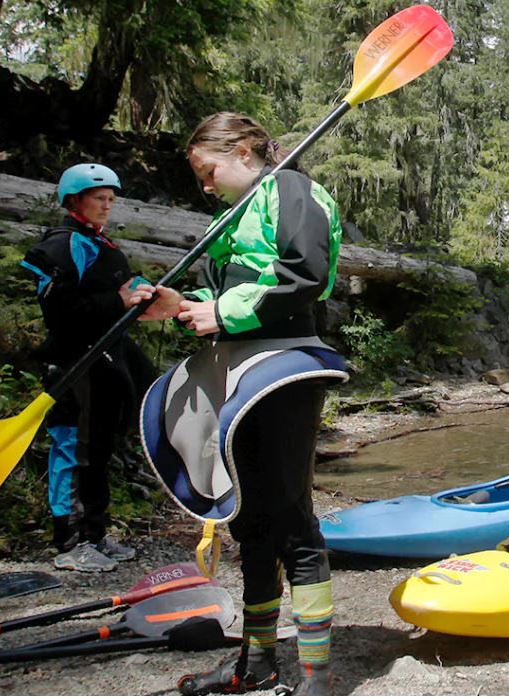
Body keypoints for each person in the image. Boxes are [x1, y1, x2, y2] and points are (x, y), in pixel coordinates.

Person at [130, 112, 348, 696]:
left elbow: (306, 275)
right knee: (250, 521)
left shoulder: (295, 192)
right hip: (236, 375)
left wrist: (222, 312)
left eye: (208, 171)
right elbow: (216, 294)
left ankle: (317, 676)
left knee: (292, 521)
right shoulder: (231, 216)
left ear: (247, 151)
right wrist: (178, 303)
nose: (204, 185)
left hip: (284, 371)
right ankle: (256, 662)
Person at [19, 163, 153, 573]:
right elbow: (64, 316)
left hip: (104, 365)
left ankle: (95, 534)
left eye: (111, 200)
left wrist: (141, 298)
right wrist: (120, 300)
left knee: (98, 452)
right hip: (72, 368)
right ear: (74, 201)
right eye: (99, 199)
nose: (106, 206)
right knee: (72, 451)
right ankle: (69, 542)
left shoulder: (102, 246)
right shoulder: (60, 248)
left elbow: (115, 302)